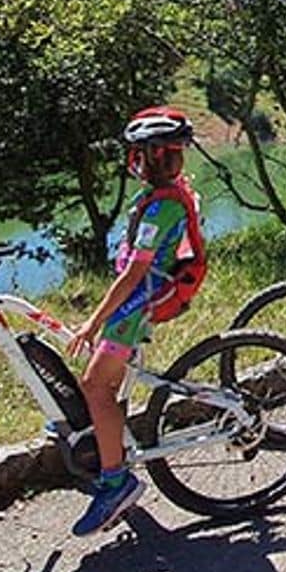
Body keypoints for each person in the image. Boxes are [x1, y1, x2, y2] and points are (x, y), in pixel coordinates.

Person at [66, 106, 205, 536]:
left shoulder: (162, 207)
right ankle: (114, 452)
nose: (135, 162)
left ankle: (116, 483)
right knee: (108, 386)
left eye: (138, 154)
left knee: (94, 385)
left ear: (149, 157)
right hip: (134, 301)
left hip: (135, 307)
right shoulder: (165, 195)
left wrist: (93, 321)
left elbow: (132, 276)